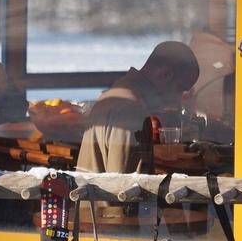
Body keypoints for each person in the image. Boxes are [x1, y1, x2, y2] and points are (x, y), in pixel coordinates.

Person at [76, 41, 201, 173]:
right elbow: (126, 186)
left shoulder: (118, 94)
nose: (178, 99)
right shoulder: (132, 111)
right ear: (165, 75)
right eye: (180, 89)